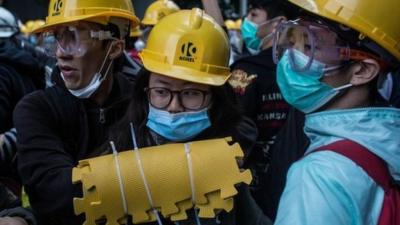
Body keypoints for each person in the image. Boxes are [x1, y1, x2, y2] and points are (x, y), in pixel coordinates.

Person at [108, 8, 270, 225]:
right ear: (144, 91)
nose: (174, 107)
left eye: (191, 93)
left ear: (216, 97)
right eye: (162, 92)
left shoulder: (233, 156)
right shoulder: (116, 154)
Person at [272, 0, 400, 224]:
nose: (290, 58)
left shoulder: (319, 175)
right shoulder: (388, 142)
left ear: (362, 70)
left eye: (310, 46)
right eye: (292, 42)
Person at [13, 0, 140, 224]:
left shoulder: (144, 103)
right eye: (57, 37)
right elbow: (56, 198)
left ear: (114, 47)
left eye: (76, 36)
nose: (61, 53)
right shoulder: (36, 109)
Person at [229, 0, 291, 207]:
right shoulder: (304, 73)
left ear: (278, 23)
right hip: (289, 179)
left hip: (253, 184)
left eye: (254, 15)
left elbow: (231, 127)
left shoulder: (244, 72)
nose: (247, 22)